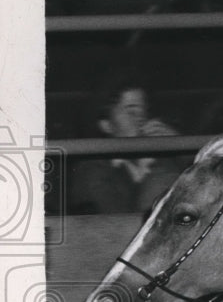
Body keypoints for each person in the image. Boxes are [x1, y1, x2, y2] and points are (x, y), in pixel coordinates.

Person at [67, 74, 188, 215]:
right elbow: (114, 223)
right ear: (107, 125)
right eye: (131, 111)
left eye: (143, 110)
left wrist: (179, 145)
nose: (140, 117)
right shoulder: (92, 170)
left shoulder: (165, 158)